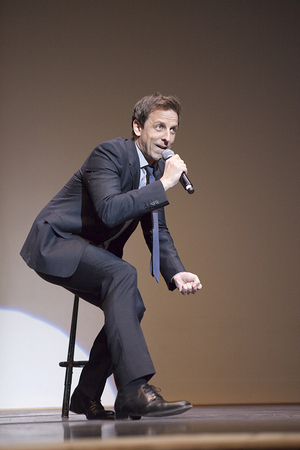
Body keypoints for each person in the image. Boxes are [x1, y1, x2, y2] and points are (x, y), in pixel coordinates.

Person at [20, 92, 202, 420]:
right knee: (122, 274)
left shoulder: (153, 173)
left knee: (132, 304)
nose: (167, 137)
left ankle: (86, 394)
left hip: (90, 251)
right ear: (138, 126)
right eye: (159, 127)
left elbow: (157, 230)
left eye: (173, 130)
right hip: (57, 242)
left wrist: (176, 271)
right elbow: (109, 210)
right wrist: (163, 185)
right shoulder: (109, 153)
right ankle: (133, 389)